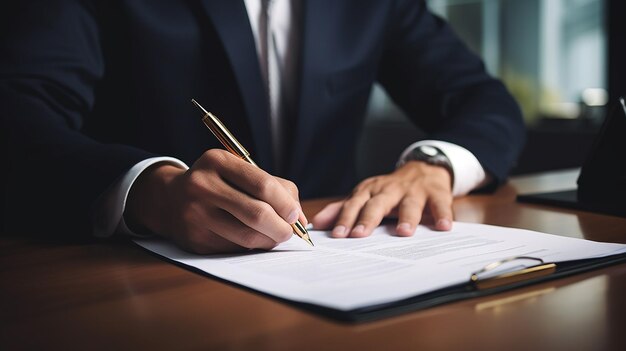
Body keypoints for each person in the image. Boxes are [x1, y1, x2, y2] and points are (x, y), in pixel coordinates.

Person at [1, 0, 525, 253]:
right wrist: (147, 191)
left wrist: (433, 165)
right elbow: (18, 116)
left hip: (331, 266)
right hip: (138, 290)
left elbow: (485, 100)